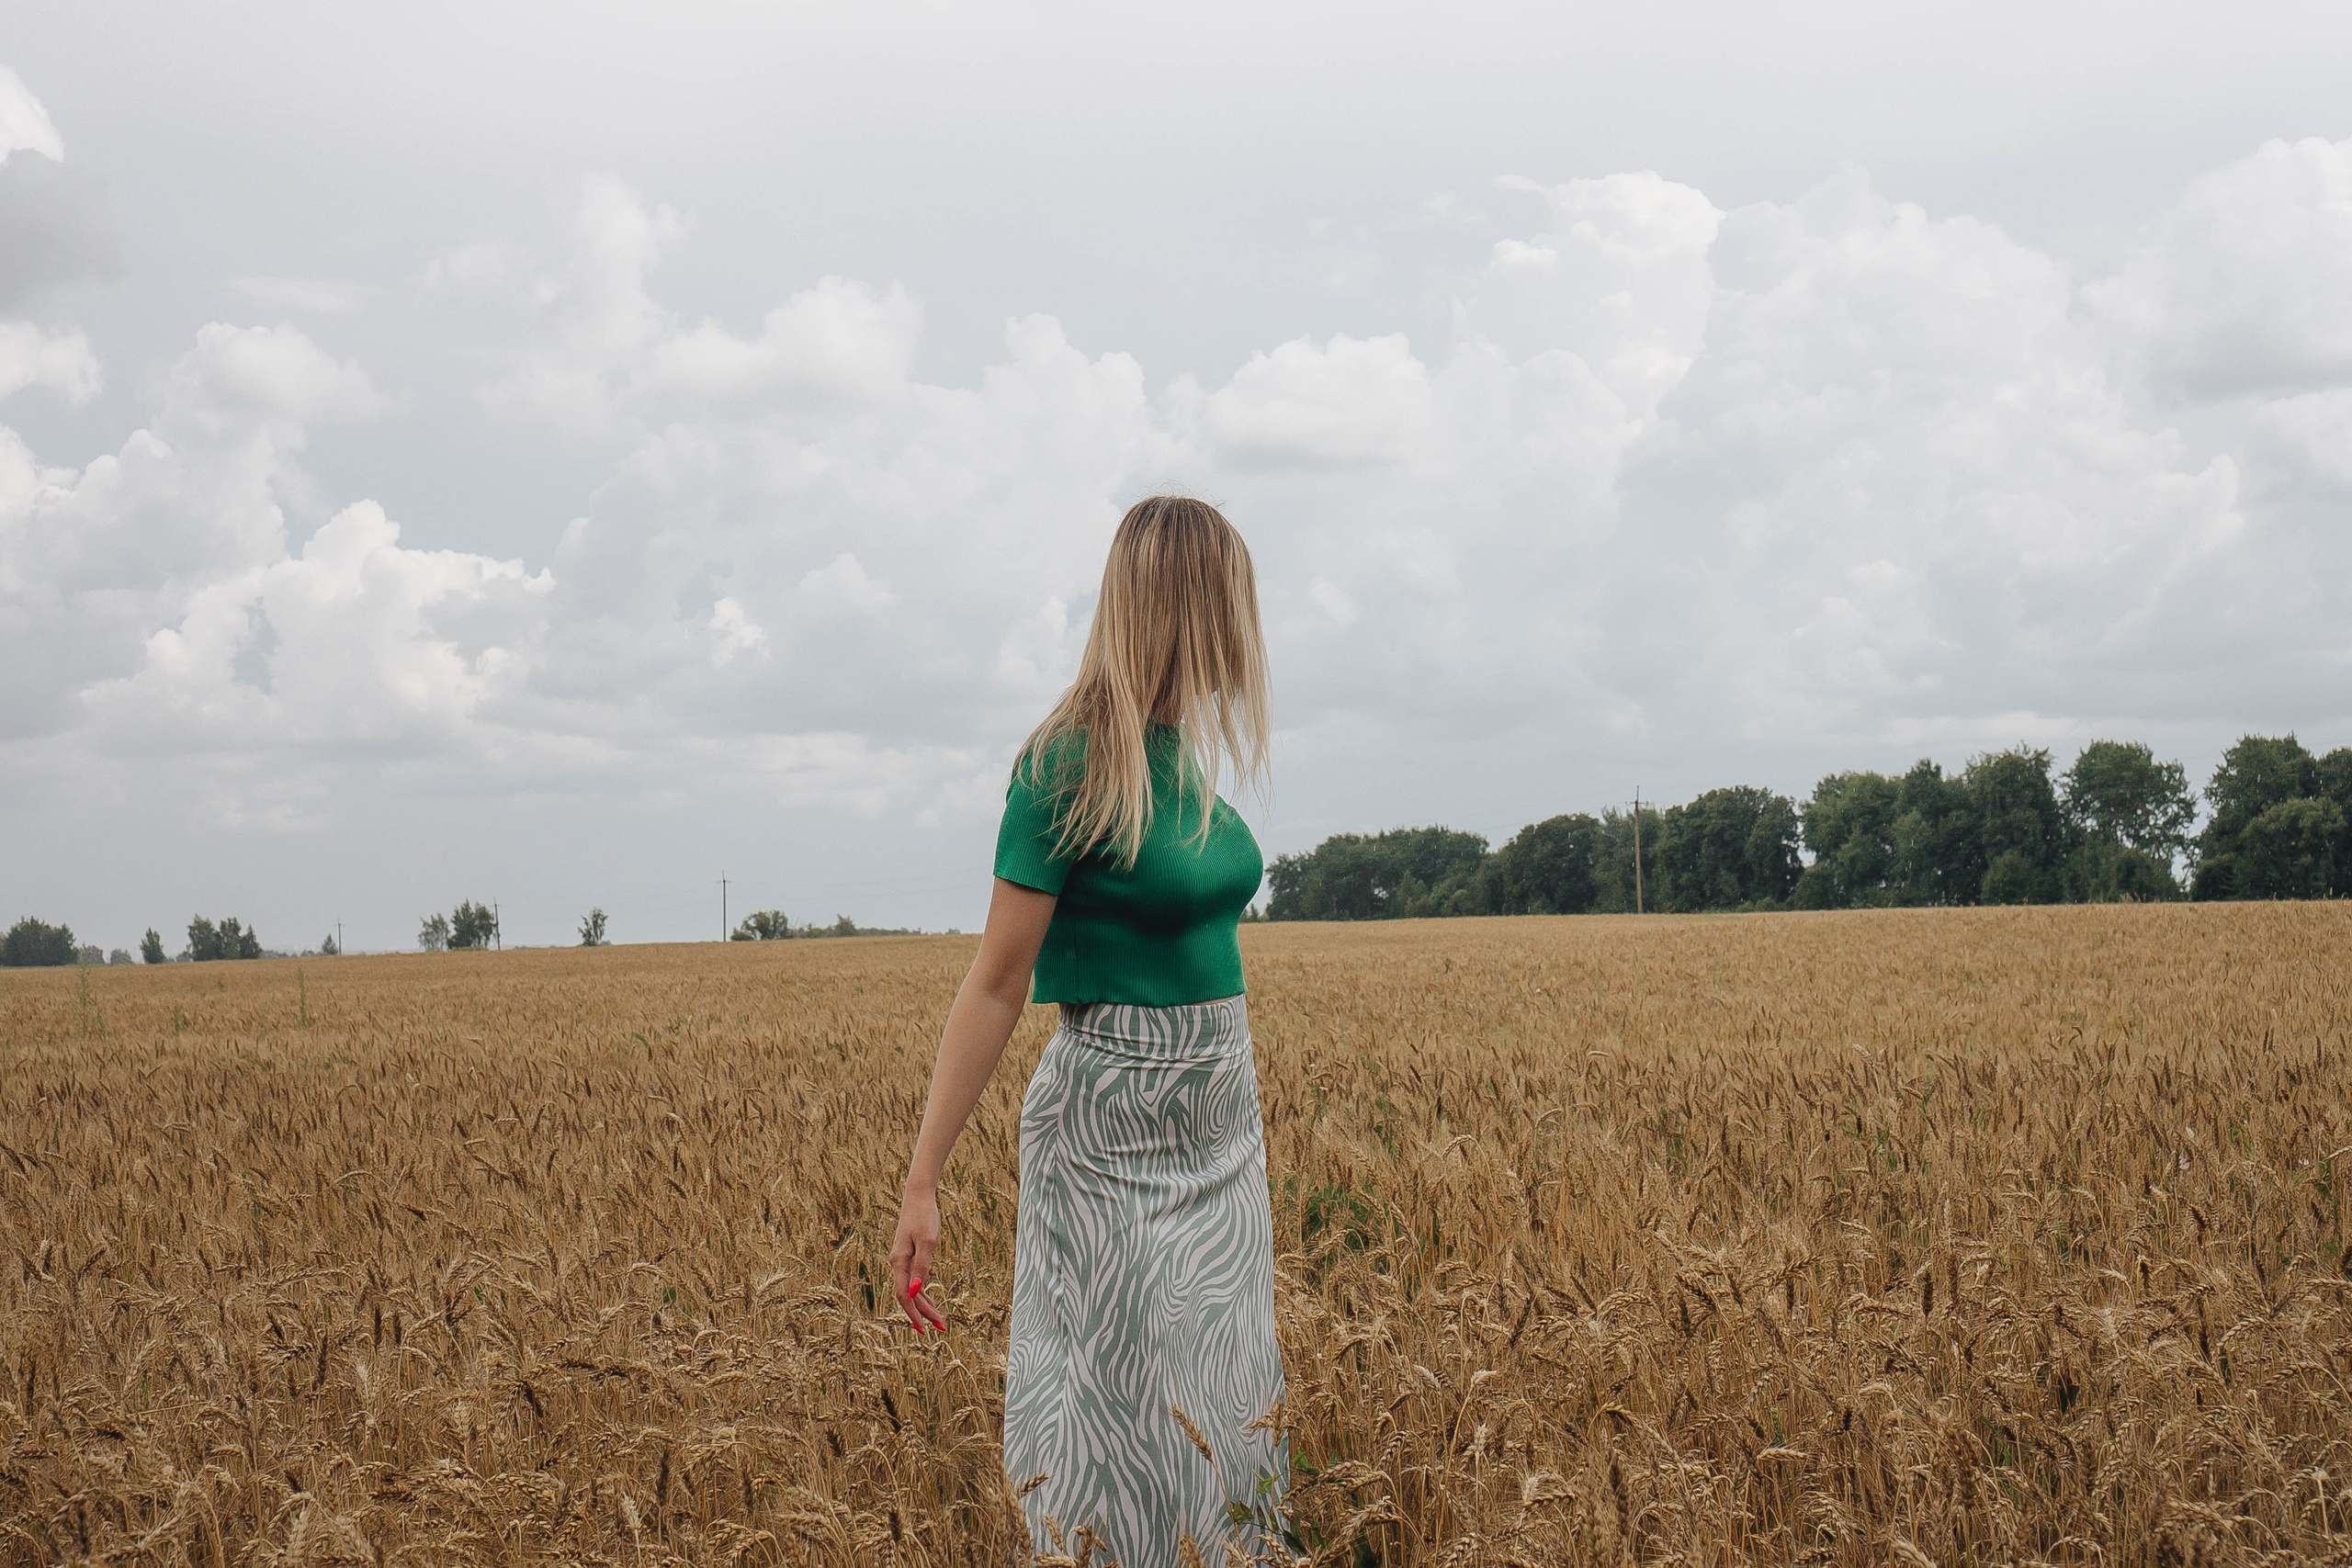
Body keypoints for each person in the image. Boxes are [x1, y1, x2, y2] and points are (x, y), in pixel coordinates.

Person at [888, 496, 1289, 1567]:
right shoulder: (1065, 761)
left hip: (1221, 1124)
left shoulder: (1176, 753)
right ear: (1187, 608)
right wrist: (923, 1179)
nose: (1246, 631)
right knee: (1115, 1409)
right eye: (1230, 603)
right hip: (1111, 1136)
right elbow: (995, 983)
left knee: (1226, 1386)